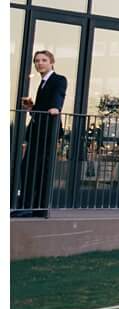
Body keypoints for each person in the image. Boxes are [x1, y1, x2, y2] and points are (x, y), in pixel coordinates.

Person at [15, 50, 68, 216]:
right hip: (38, 131)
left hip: (48, 132)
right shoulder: (42, 82)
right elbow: (42, 108)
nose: (39, 63)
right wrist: (32, 108)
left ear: (51, 62)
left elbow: (59, 94)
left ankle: (36, 209)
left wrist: (56, 108)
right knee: (29, 169)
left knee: (40, 170)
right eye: (37, 61)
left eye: (44, 60)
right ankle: (30, 207)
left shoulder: (58, 79)